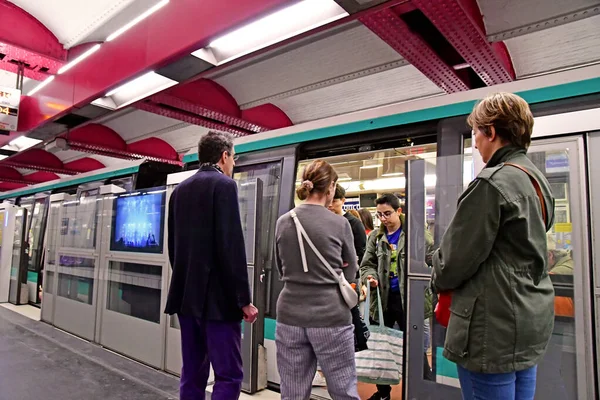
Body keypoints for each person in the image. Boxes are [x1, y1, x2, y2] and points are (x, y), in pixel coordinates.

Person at [431, 92, 555, 400]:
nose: (474, 142)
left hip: (490, 327)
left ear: (492, 132)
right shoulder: (537, 180)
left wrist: (436, 271)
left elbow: (454, 262)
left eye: (475, 133)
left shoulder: (490, 184)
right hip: (529, 318)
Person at [165, 131, 259, 400]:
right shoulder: (225, 186)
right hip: (218, 302)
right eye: (233, 158)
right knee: (229, 374)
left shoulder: (180, 191)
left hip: (186, 299)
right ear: (224, 155)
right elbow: (231, 247)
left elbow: (175, 248)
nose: (233, 164)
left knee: (193, 371)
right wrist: (243, 299)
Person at [275, 160, 360, 400]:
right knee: (343, 389)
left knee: (292, 391)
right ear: (331, 187)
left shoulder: (283, 222)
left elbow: (281, 268)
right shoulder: (340, 223)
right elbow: (351, 270)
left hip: (290, 314)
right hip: (330, 316)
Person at [360, 193, 434, 400]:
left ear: (399, 211)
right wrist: (371, 277)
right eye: (379, 215)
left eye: (387, 214)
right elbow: (366, 265)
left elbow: (433, 258)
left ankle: (423, 391)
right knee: (381, 347)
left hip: (409, 300)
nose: (383, 219)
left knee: (416, 347)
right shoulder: (375, 237)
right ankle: (383, 393)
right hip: (382, 300)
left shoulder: (415, 234)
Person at [329, 184, 367, 262]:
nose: (330, 205)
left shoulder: (355, 224)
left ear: (343, 201)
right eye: (328, 201)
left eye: (334, 201)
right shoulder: (323, 222)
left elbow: (361, 253)